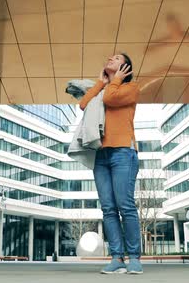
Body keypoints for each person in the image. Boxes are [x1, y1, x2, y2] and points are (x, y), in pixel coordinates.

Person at [79, 53, 142, 275]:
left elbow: (110, 100)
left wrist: (112, 81)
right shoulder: (106, 88)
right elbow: (83, 104)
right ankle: (117, 258)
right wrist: (100, 82)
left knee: (125, 206)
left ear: (125, 67)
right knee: (108, 208)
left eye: (115, 58)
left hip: (124, 152)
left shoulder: (130, 88)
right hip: (102, 155)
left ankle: (134, 258)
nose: (108, 58)